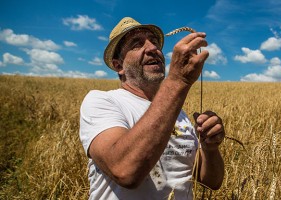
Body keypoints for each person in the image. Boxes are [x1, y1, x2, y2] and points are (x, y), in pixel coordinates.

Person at [79, 17, 225, 199]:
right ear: (119, 66)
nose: (153, 48)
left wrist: (210, 149)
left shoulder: (179, 114)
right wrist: (178, 81)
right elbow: (125, 171)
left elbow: (211, 182)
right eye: (136, 44)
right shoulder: (102, 101)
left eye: (154, 42)